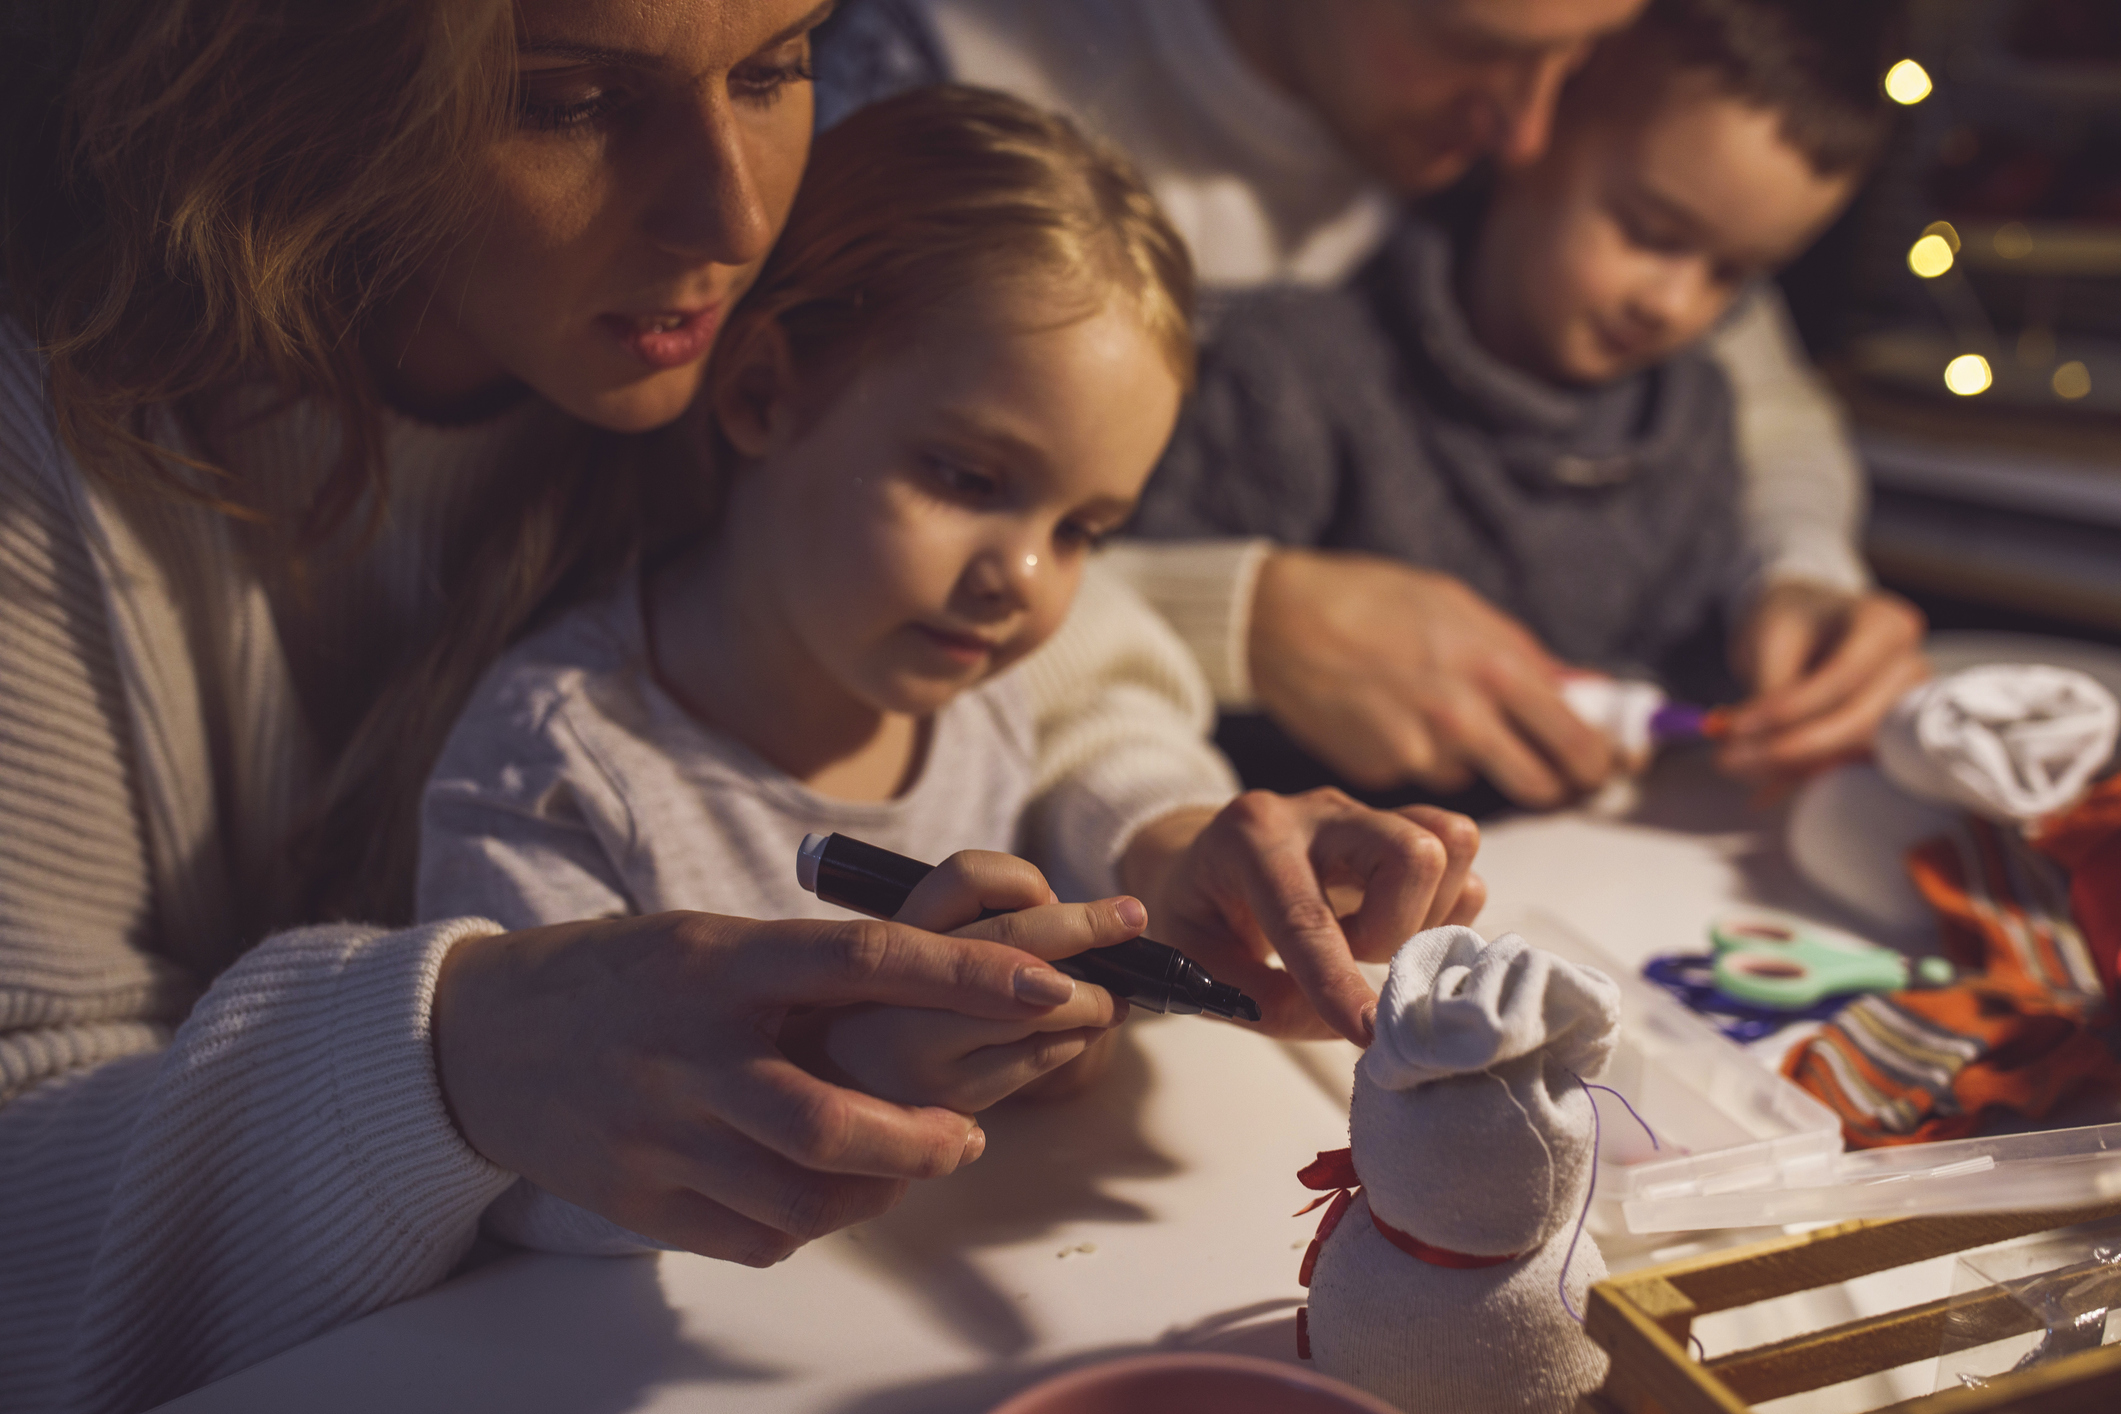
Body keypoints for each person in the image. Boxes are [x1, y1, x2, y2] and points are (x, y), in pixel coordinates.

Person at [0, 3, 1478, 1409]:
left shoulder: (675, 339)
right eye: (570, 99)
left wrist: (1154, 820)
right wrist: (449, 1065)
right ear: (295, 74)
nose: (734, 222)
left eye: (776, 61)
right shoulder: (62, 477)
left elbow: (1027, 632)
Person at [418, 87, 1436, 1250]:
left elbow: (1111, 772)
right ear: (760, 392)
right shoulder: (557, 766)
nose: (1027, 578)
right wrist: (849, 1072)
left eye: (1083, 528)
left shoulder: (986, 687)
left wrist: (1037, 1043)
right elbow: (537, 1200)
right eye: (967, 477)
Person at [814, 0, 1930, 806]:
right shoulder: (932, 93)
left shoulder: (1519, 127)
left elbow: (1761, 393)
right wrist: (1247, 619)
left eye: (1582, 54)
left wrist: (1800, 574)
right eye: (1478, 48)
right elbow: (775, 530)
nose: (1531, 136)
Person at [1129, 0, 1930, 741]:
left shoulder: (1693, 397)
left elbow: (1778, 429)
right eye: (1651, 233)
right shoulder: (1298, 371)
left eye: (1735, 274)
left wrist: (1795, 593)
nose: (1679, 307)